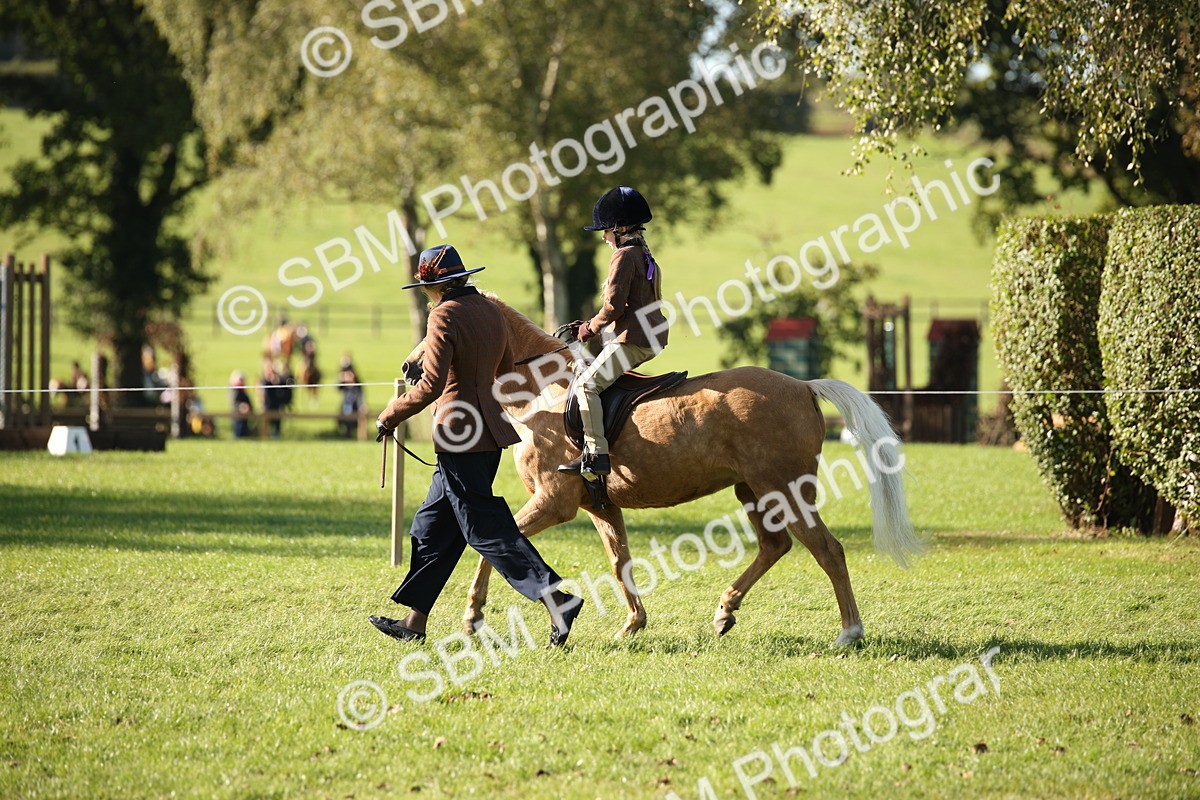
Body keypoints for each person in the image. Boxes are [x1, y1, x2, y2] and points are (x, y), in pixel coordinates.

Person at [371, 244, 583, 647]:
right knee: (432, 526)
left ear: (436, 286)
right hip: (490, 434)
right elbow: (504, 372)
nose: (425, 294)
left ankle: (557, 600)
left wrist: (390, 414)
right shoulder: (490, 311)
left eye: (425, 287)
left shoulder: (444, 316)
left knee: (484, 528)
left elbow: (431, 385)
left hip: (457, 434)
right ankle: (414, 621)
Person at [558, 186, 669, 478]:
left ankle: (596, 454)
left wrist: (588, 327)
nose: (604, 237)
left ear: (620, 229)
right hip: (650, 335)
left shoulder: (623, 256)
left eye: (606, 231)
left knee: (586, 385)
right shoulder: (645, 254)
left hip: (633, 339)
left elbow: (613, 308)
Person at [337, 354, 363, 438]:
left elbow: (360, 395)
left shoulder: (357, 385)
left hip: (354, 406)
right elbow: (338, 387)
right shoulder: (344, 385)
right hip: (346, 405)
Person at [230, 371, 255, 438]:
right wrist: (241, 407)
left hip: (246, 415)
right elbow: (234, 403)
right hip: (238, 414)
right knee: (239, 429)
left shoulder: (243, 391)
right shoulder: (234, 391)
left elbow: (248, 401)